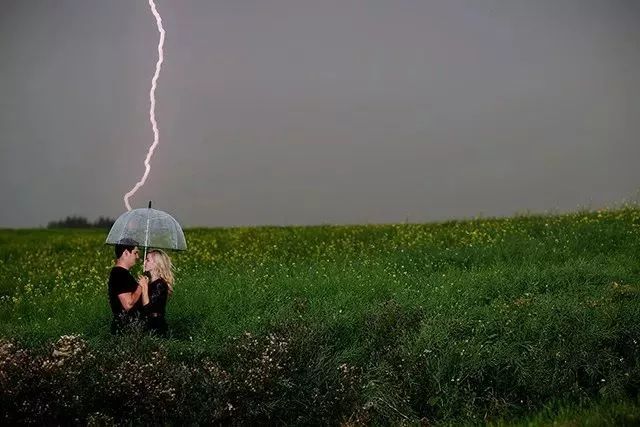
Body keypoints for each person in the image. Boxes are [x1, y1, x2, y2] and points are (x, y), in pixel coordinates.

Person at [108, 239, 146, 334]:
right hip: (125, 330)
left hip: (128, 328)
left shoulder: (123, 273)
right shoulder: (119, 274)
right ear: (125, 253)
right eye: (135, 253)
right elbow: (128, 305)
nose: (137, 257)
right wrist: (141, 286)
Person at [139, 249, 174, 336]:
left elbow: (148, 308)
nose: (144, 262)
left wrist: (144, 288)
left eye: (148, 259)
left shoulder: (160, 284)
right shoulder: (150, 282)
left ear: (156, 264)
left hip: (155, 328)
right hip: (147, 326)